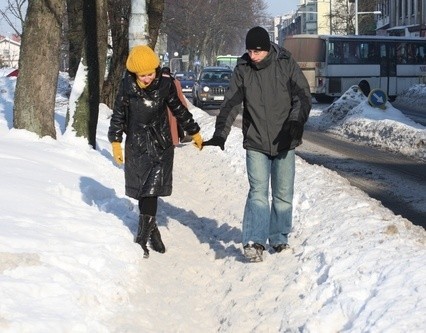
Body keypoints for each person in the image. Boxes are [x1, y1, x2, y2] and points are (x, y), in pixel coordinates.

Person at [203, 26, 312, 262]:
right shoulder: (243, 69)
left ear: (267, 48)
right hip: (256, 140)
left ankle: (279, 237)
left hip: (285, 139)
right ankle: (254, 241)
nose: (253, 56)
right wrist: (220, 133)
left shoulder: (284, 62)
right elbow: (231, 102)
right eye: (250, 51)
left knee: (283, 193)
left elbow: (302, 96)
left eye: (257, 51)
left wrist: (295, 122)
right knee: (258, 193)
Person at [108, 45, 203, 258]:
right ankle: (152, 230)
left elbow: (179, 109)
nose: (148, 78)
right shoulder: (126, 87)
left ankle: (141, 237)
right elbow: (118, 116)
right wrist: (115, 142)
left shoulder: (165, 84)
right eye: (142, 75)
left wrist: (194, 131)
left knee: (152, 189)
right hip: (137, 144)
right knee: (143, 190)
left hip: (160, 144)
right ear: (134, 73)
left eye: (150, 73)